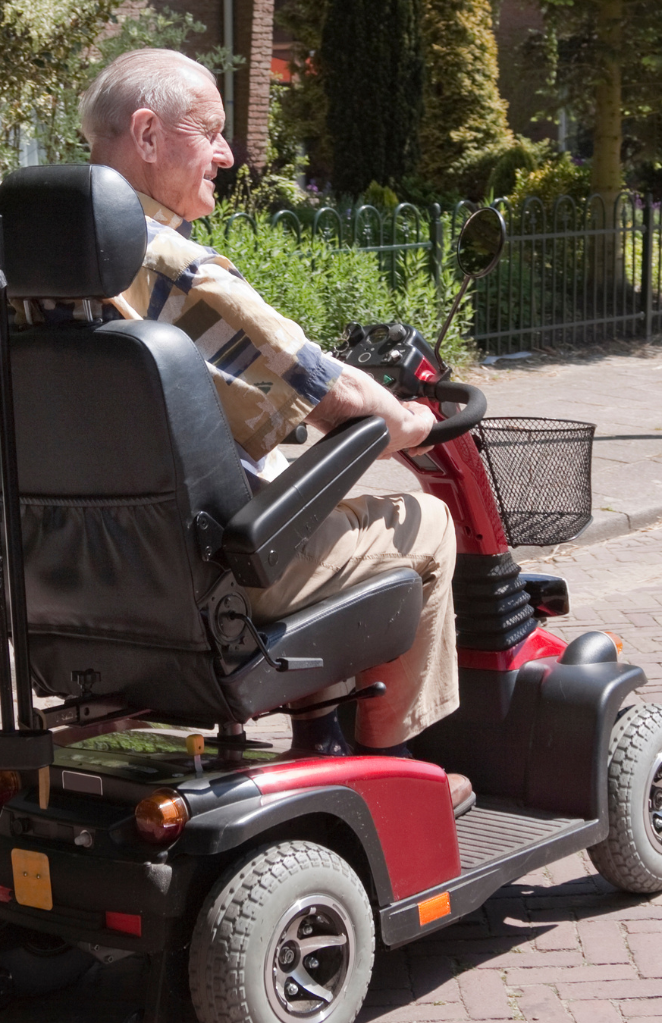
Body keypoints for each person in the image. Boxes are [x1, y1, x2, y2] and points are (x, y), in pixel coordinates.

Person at [49, 48, 462, 776]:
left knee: (307, 511)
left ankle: (319, 743)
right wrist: (408, 422)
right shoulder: (170, 265)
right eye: (209, 130)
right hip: (208, 580)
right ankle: (394, 771)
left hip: (74, 578)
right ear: (147, 136)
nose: (227, 153)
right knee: (422, 524)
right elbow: (332, 393)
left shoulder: (31, 281)